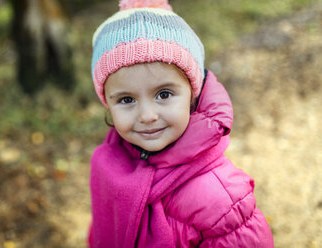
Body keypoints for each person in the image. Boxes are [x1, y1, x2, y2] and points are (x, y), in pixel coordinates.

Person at [88, 0, 274, 247]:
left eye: (164, 94)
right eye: (126, 99)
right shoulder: (114, 159)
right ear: (108, 103)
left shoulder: (221, 200)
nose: (147, 116)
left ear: (192, 94)